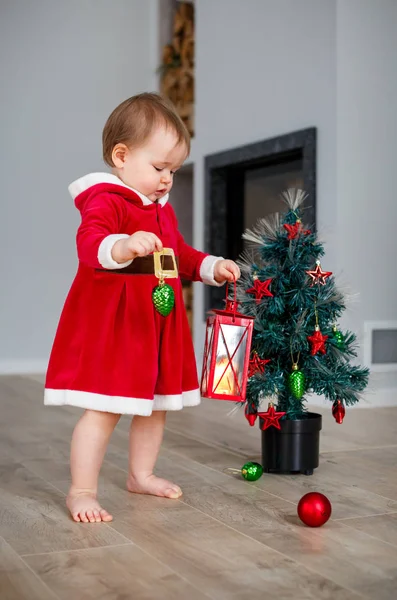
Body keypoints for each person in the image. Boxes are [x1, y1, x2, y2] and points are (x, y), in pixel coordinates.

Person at [44, 92, 240, 523]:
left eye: (174, 169)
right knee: (105, 407)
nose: (168, 178)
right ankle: (81, 490)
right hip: (117, 321)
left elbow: (179, 254)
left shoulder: (159, 209)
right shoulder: (105, 200)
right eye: (159, 167)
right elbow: (89, 243)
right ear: (122, 155)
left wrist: (211, 266)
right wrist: (125, 245)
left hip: (156, 322)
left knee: (155, 404)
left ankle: (141, 474)